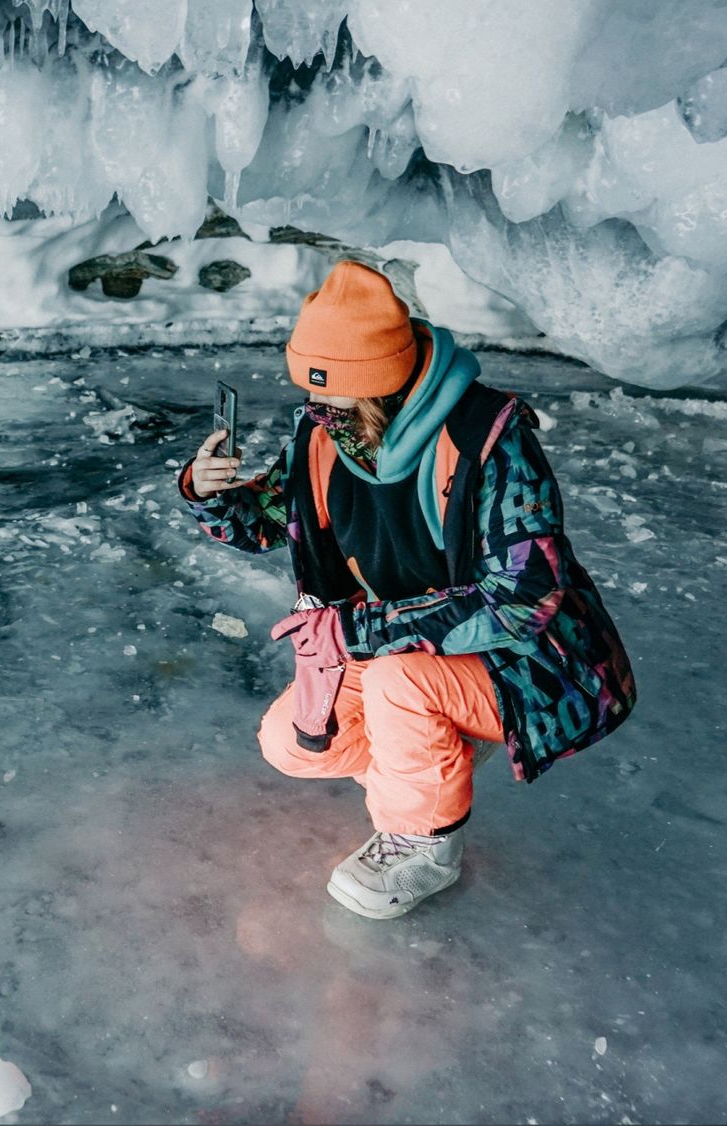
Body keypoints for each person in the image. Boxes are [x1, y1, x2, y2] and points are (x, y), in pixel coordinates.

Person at [177, 259, 636, 919]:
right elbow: (264, 524)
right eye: (314, 396)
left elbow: (525, 598)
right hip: (395, 645)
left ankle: (423, 843)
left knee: (399, 681)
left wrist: (363, 632)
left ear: (381, 385)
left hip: (537, 666)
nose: (319, 413)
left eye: (335, 399)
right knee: (291, 742)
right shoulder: (325, 433)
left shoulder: (491, 436)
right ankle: (427, 752)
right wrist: (207, 492)